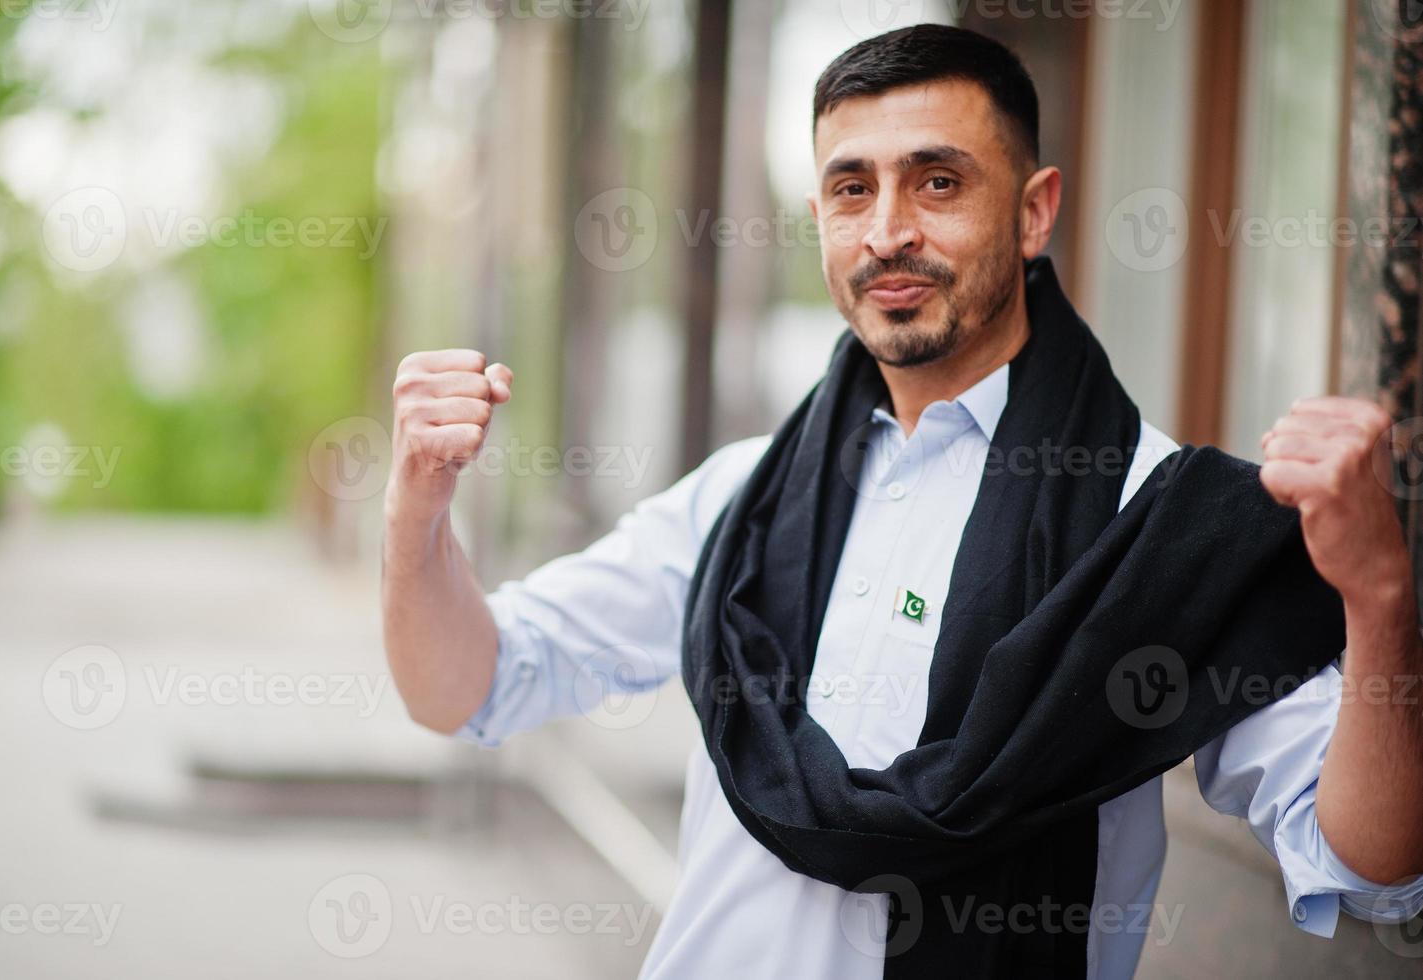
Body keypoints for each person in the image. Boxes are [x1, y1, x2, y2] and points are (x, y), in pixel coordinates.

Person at [380, 24, 1423, 980]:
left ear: (1034, 210)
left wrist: (1379, 597)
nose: (888, 231)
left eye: (936, 181)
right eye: (851, 188)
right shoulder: (742, 500)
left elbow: (1367, 860)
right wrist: (416, 511)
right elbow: (469, 682)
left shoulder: (1157, 518)